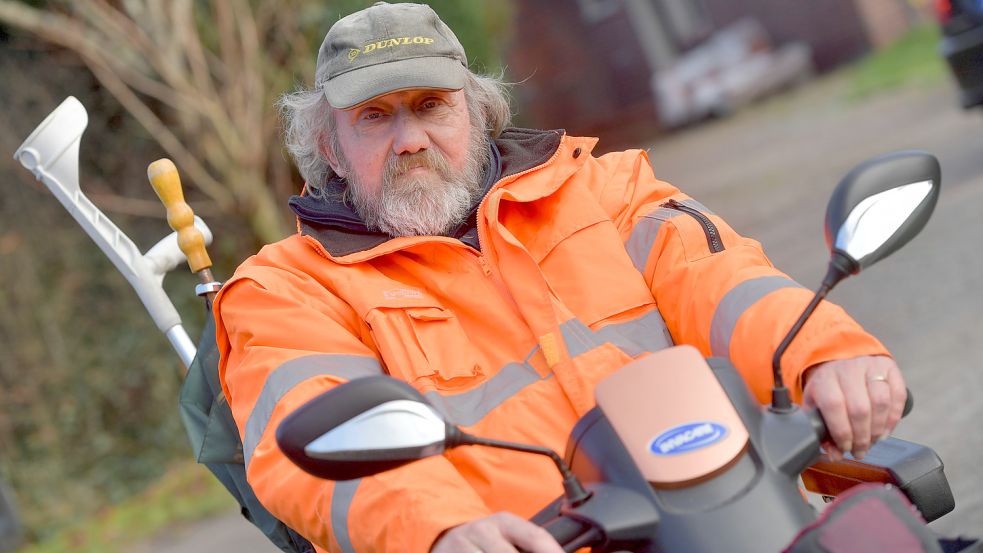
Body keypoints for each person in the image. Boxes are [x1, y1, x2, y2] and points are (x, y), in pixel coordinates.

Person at [213, 3, 907, 552]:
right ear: (329, 147)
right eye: (374, 117)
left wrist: (822, 352)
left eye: (430, 106)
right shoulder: (285, 291)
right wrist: (438, 527)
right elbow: (302, 438)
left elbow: (720, 277)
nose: (411, 139)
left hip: (728, 516)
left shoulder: (604, 187)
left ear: (478, 113)